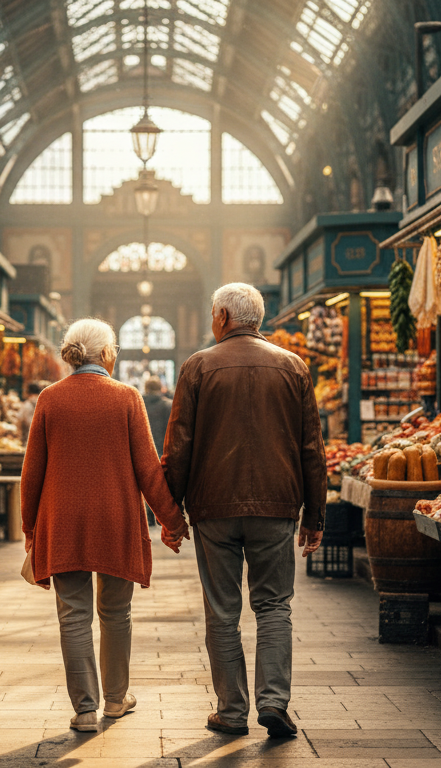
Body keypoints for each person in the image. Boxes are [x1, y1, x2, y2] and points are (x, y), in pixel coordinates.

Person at [161, 283, 326, 739]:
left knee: (222, 610)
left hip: (213, 507)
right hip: (277, 506)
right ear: (258, 318)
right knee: (274, 606)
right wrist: (314, 515)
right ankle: (274, 703)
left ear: (221, 317)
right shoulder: (293, 366)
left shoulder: (197, 367)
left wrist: (171, 512)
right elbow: (312, 447)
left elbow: (179, 447)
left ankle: (231, 710)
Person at [21, 319, 190, 733]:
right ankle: (115, 700)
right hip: (115, 520)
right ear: (108, 355)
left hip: (62, 521)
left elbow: (32, 473)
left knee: (73, 616)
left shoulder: (49, 399)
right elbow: (149, 470)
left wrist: (31, 530)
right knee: (116, 612)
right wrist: (172, 520)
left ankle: (83, 709)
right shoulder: (126, 398)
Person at [142, 377, 173, 526]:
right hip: (163, 449)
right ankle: (162, 516)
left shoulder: (139, 404)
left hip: (144, 450)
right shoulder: (168, 406)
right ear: (161, 388)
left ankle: (148, 516)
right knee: (162, 485)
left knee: (146, 484)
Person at [17, 380, 47, 445]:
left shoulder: (26, 405)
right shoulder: (45, 403)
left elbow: (19, 420)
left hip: (29, 442)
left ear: (28, 392)